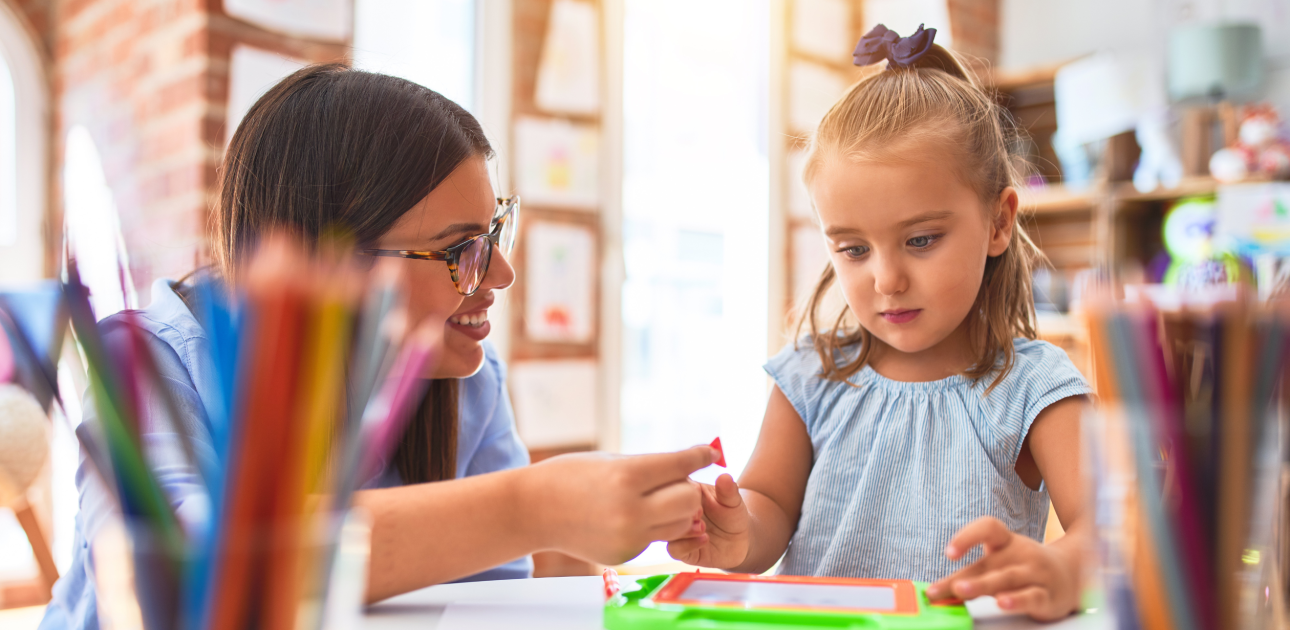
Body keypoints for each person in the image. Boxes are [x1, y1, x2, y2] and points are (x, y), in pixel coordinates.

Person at [42, 64, 716, 629]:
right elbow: (181, 575)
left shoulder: (467, 383)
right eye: (462, 250)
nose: (501, 275)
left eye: (494, 234)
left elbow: (483, 604)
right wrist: (531, 508)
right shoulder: (148, 361)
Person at [666, 26, 1092, 622]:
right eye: (853, 249)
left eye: (921, 240)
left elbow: (1113, 533)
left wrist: (1064, 568)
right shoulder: (811, 376)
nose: (886, 279)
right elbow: (767, 505)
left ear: (998, 222)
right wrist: (735, 534)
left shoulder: (1034, 386)